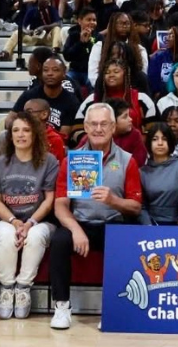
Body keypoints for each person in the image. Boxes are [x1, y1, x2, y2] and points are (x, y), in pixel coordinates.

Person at [48, 103, 143, 330]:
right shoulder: (71, 160)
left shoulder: (128, 160)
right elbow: (60, 205)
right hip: (80, 222)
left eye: (103, 124)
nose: (98, 129)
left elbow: (136, 207)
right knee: (59, 241)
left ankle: (113, 308)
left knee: (123, 243)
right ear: (86, 128)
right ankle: (62, 307)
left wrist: (114, 200)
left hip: (114, 223)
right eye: (93, 124)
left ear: (112, 127)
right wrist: (76, 230)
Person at [0, 112, 60, 320]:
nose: (21, 135)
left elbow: (49, 200)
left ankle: (22, 289)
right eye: (16, 130)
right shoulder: (0, 163)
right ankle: (7, 288)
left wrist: (29, 223)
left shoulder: (49, 161)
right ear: (10, 136)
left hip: (40, 221)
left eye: (26, 130)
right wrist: (14, 221)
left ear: (35, 134)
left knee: (35, 236)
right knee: (7, 235)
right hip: (6, 220)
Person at [139, 123, 178, 226]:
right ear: (149, 143)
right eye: (155, 139)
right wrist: (148, 226)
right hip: (150, 225)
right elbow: (141, 206)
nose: (160, 143)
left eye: (164, 139)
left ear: (170, 142)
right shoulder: (142, 172)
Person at [14, 55, 79, 141]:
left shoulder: (71, 101)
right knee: (4, 135)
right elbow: (11, 119)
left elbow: (63, 136)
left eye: (55, 70)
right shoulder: (29, 95)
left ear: (64, 74)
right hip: (27, 138)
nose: (50, 73)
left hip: (54, 142)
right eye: (45, 70)